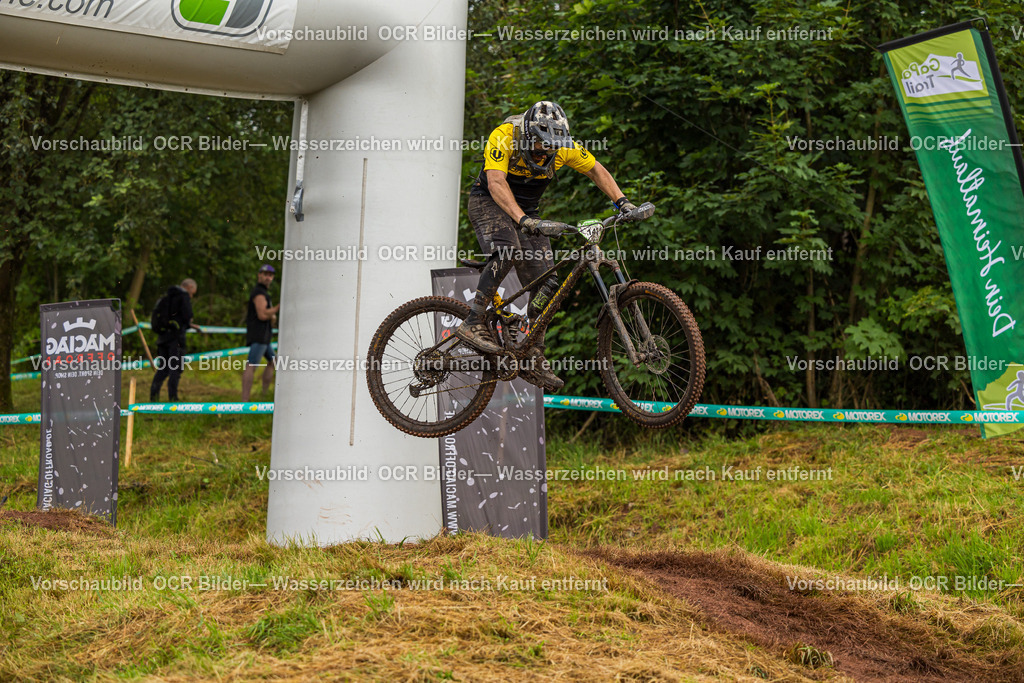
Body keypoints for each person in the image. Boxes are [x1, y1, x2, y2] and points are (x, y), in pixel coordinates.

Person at [456, 100, 650, 390]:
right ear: (528, 134)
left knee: (548, 283)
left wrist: (622, 203)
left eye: (550, 147)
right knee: (507, 249)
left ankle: (532, 352)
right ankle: (473, 321)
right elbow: (496, 182)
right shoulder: (504, 135)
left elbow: (595, 169)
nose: (543, 152)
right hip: (489, 203)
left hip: (528, 212)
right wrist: (522, 220)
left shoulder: (565, 147)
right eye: (538, 145)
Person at [150, 278, 199, 402]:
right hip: (176, 339)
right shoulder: (183, 297)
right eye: (192, 293)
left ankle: (153, 397)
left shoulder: (166, 297)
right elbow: (188, 317)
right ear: (189, 287)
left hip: (162, 337)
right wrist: (189, 323)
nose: (192, 296)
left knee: (163, 368)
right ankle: (173, 398)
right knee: (175, 368)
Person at [242, 264, 280, 401]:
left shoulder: (264, 293)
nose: (268, 278)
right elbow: (263, 315)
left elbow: (268, 315)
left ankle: (264, 395)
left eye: (270, 275)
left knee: (273, 362)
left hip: (264, 336)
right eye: (265, 274)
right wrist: (278, 308)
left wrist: (272, 315)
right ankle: (244, 402)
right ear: (259, 275)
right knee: (251, 365)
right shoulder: (259, 293)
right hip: (259, 335)